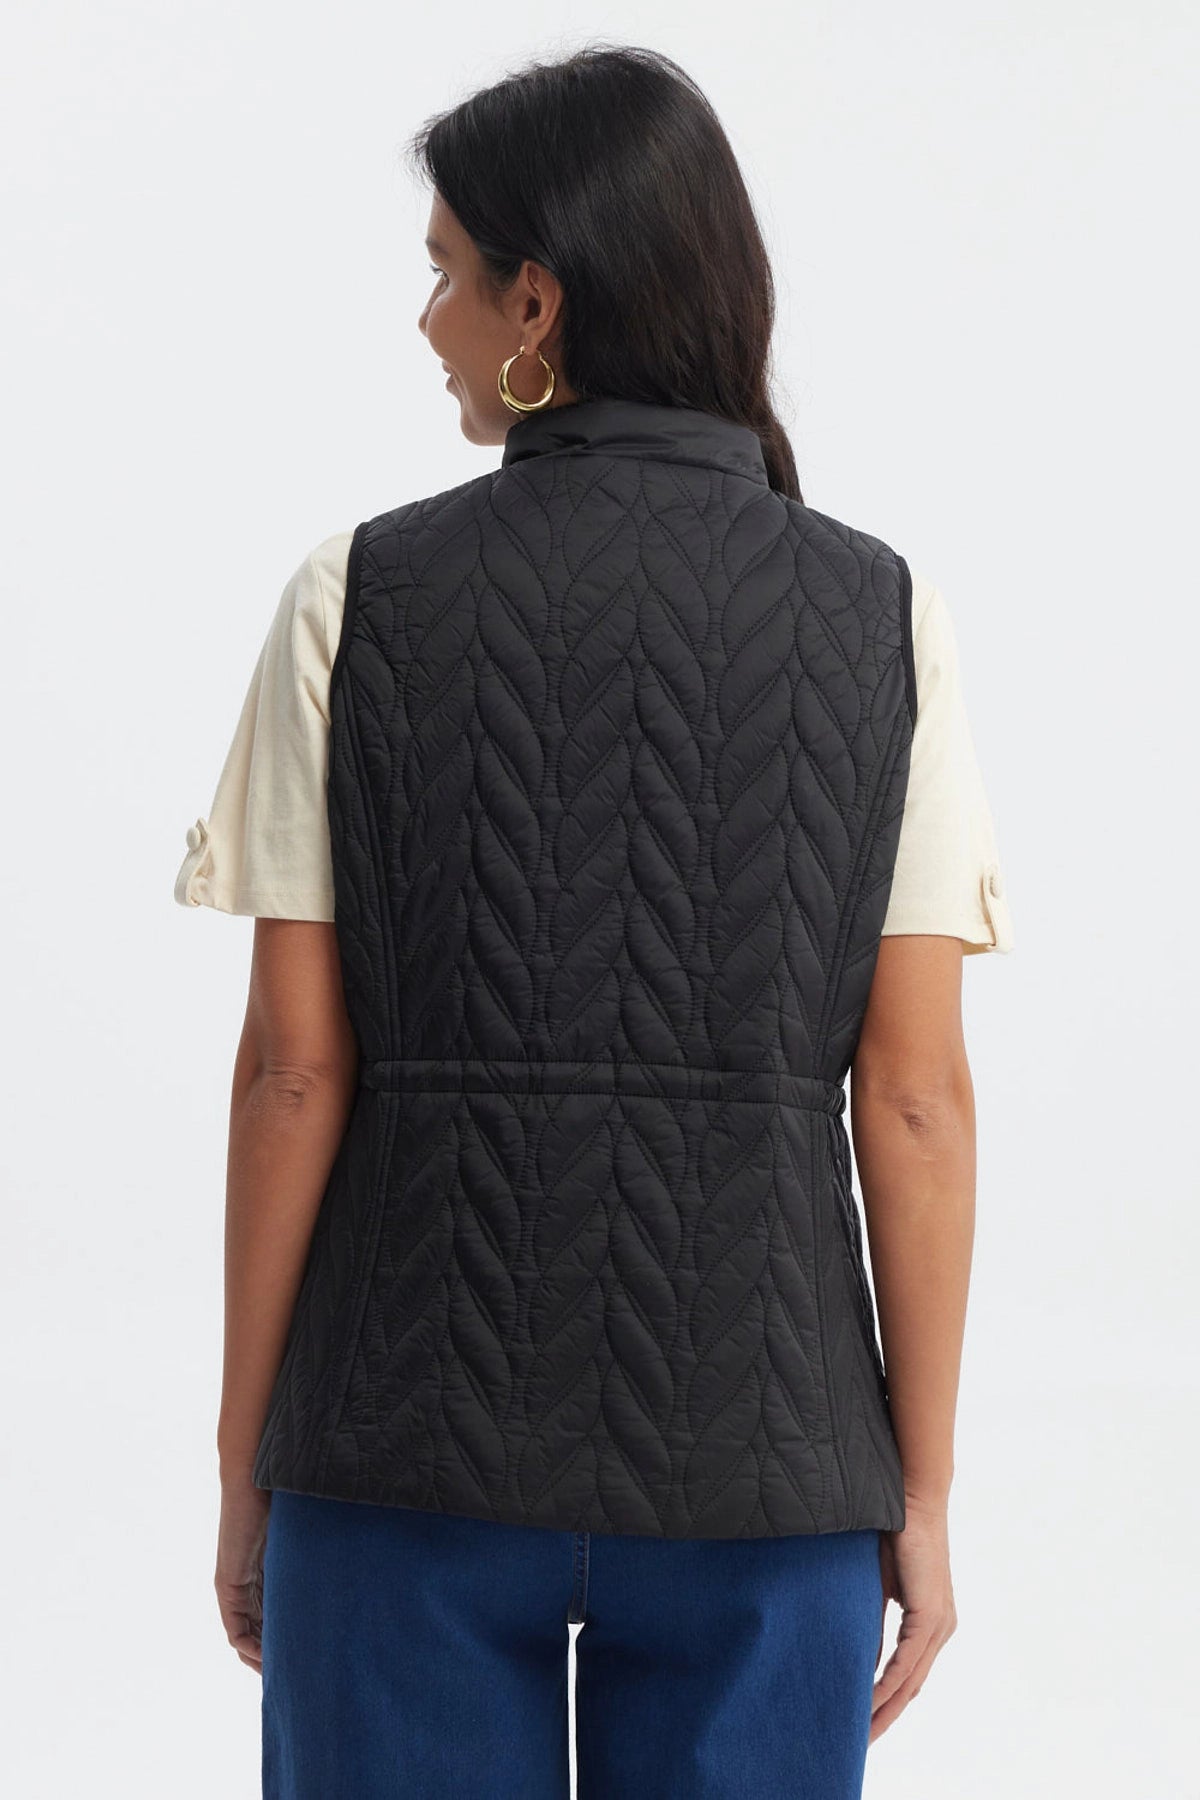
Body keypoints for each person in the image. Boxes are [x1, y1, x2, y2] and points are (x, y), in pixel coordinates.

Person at [174, 42, 1014, 1800]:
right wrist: (922, 1493)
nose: (427, 322)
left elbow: (293, 1076)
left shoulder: (360, 596)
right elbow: (915, 1097)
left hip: (397, 1461)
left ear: (535, 301)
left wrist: (247, 1455)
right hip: (766, 1471)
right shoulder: (880, 617)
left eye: (443, 272)